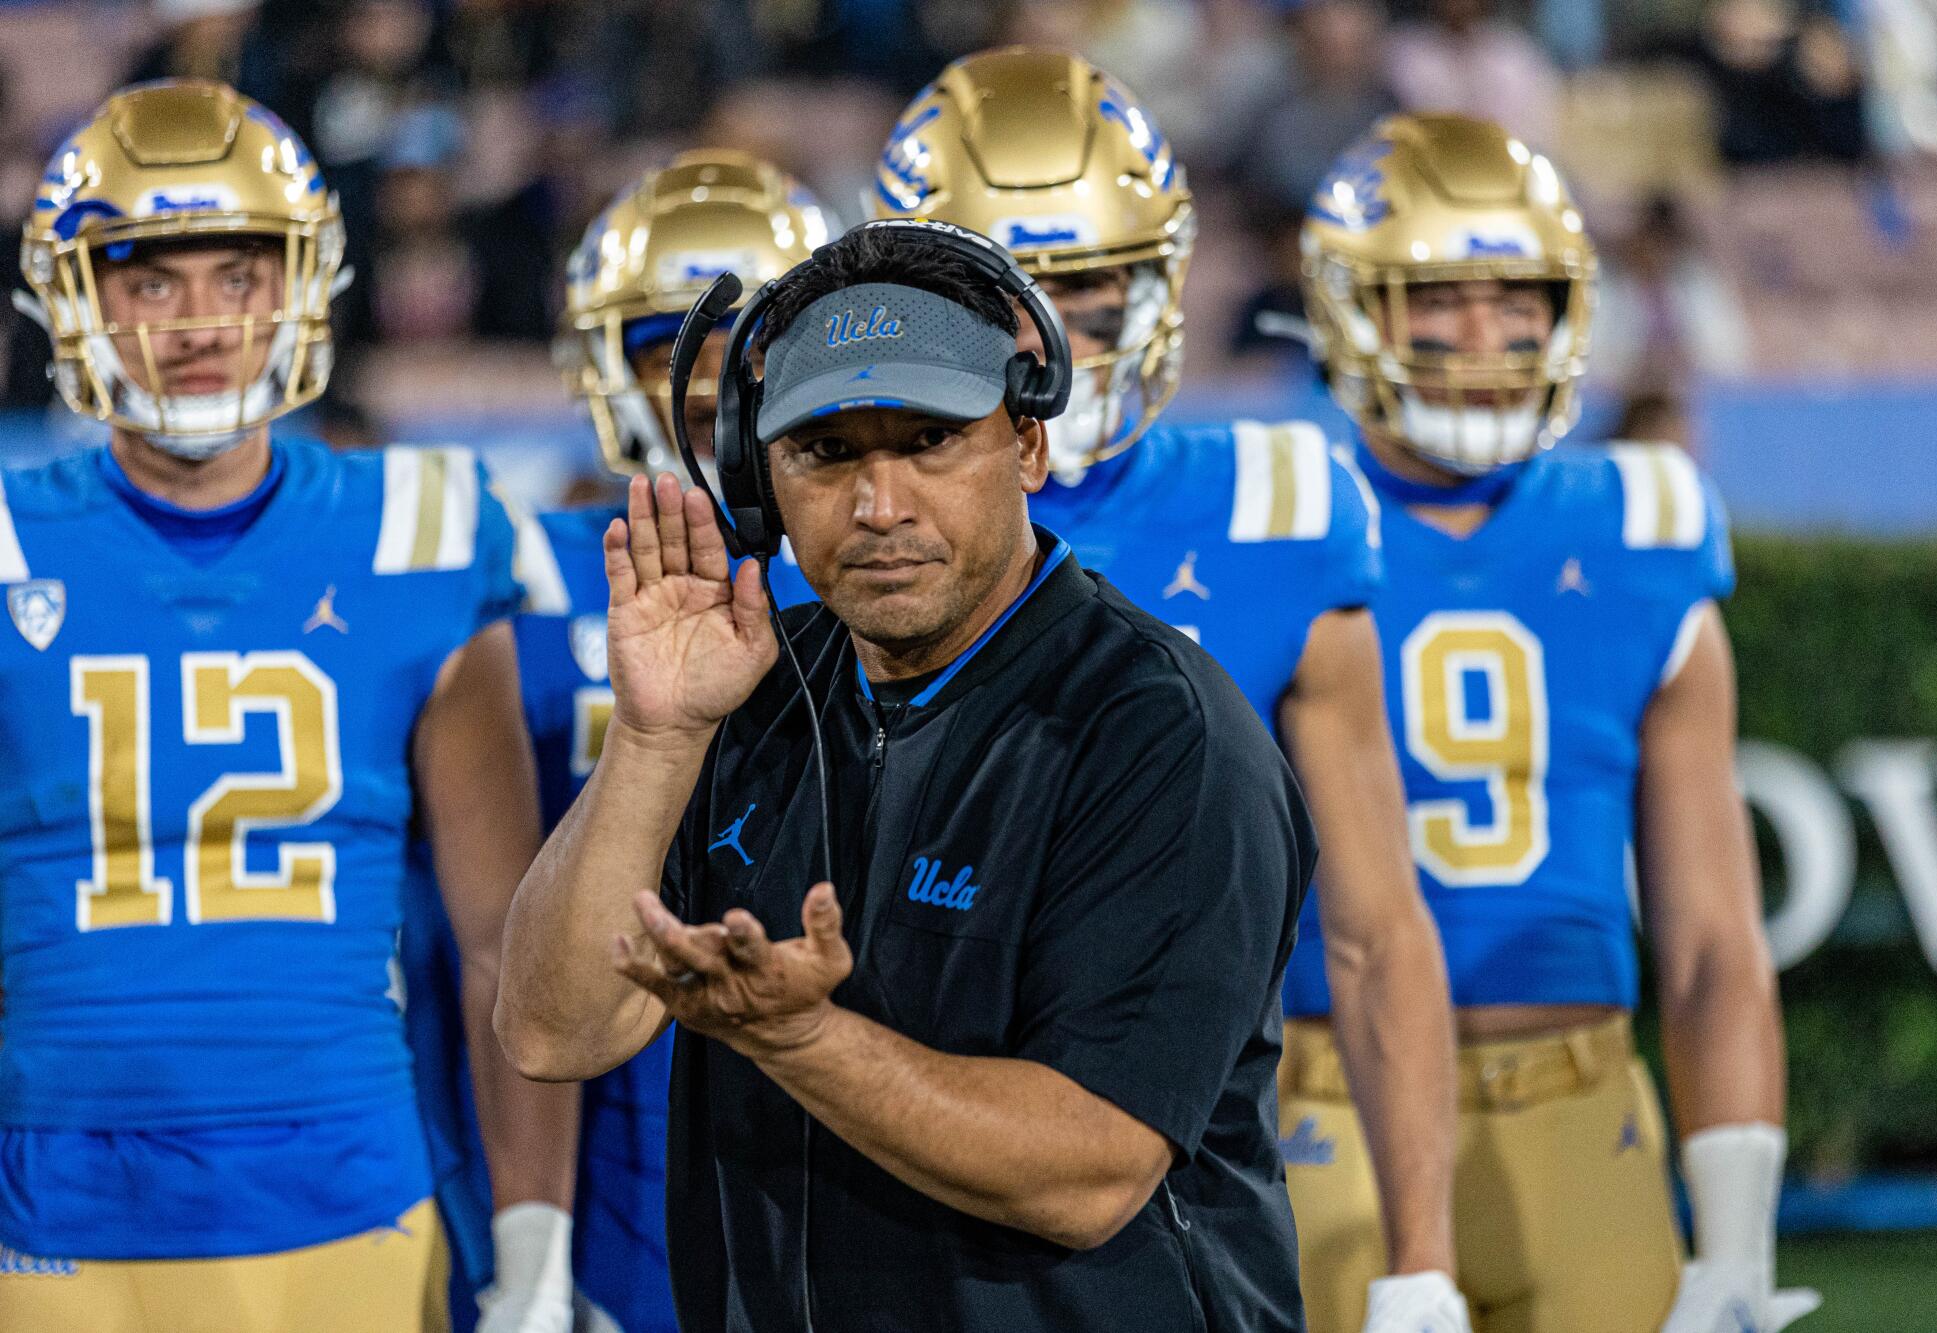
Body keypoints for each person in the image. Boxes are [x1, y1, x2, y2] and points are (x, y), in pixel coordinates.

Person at [496, 222, 1318, 1331]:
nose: (878, 505)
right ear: (758, 481)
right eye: (824, 453)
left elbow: (1086, 1169)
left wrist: (798, 1037)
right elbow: (556, 1030)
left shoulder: (1160, 731)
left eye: (929, 441)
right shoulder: (748, 697)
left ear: (1027, 448)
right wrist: (653, 735)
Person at [874, 47, 1468, 1331]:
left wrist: (1422, 1255)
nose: (1056, 343)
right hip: (902, 1128)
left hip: (1195, 1138)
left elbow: (1374, 925)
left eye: (1088, 291)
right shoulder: (837, 519)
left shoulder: (1281, 506)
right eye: (1006, 301)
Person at [0, 80, 577, 1333]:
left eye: (238, 272)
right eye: (149, 279)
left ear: (302, 283)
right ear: (73, 297)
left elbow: (502, 943)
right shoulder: (4, 545)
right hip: (51, 1201)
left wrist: (535, 1229)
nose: (200, 320)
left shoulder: (421, 533)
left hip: (345, 1196)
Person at [1294, 111, 1819, 1333]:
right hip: (1320, 1098)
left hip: (1582, 1103)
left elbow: (1709, 939)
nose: (1484, 334)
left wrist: (1735, 1241)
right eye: (1439, 297)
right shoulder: (1274, 512)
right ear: (1346, 305)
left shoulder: (1640, 521)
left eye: (1514, 295)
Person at [403, 148, 830, 1333]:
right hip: (597, 1111)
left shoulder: (883, 567)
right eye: (664, 345)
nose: (704, 384)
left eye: (751, 344)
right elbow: (484, 947)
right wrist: (527, 1239)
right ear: (600, 362)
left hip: (833, 1102)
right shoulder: (517, 577)